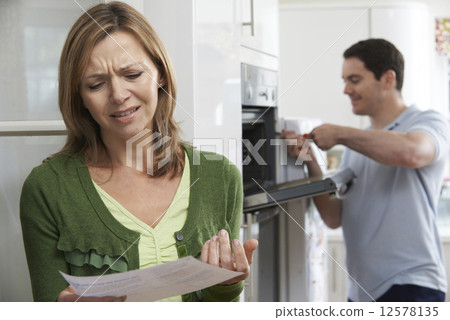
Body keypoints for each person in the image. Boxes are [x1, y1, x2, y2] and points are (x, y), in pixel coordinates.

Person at [20, 1, 257, 302]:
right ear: (79, 96)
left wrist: (226, 286)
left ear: (160, 74)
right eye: (96, 84)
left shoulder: (221, 178)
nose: (118, 95)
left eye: (132, 75)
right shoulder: (47, 189)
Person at [282, 38, 449, 302]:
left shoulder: (427, 122)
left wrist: (340, 133)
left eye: (355, 79)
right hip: (361, 291)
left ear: (387, 79)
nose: (346, 90)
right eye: (344, 80)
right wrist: (309, 159)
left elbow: (413, 152)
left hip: (410, 285)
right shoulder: (358, 144)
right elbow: (334, 216)